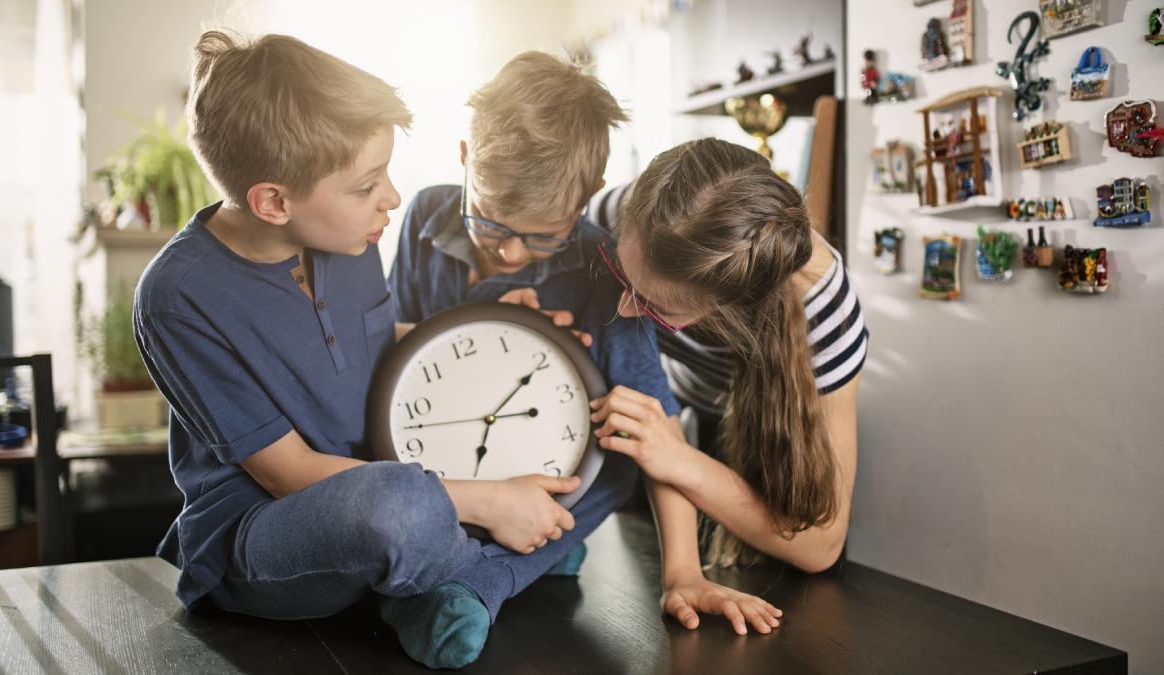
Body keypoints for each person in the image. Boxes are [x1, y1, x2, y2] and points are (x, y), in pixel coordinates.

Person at [134, 31, 585, 670]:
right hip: (267, 529)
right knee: (397, 507)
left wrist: (481, 332)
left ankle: (460, 557)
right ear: (273, 201)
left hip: (392, 471)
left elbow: (370, 350)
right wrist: (485, 500)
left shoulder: (347, 236)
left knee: (436, 474)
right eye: (367, 184)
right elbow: (286, 473)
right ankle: (485, 564)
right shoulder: (178, 298)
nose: (393, 198)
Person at [386, 51, 691, 589]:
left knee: (611, 472)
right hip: (441, 455)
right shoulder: (422, 217)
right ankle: (532, 553)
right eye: (489, 221)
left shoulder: (607, 275)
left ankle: (499, 573)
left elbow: (655, 427)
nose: (509, 254)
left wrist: (684, 574)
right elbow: (389, 353)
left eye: (543, 236)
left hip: (557, 468)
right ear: (463, 158)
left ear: (589, 195)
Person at [586, 138, 866, 633]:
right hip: (668, 415)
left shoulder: (826, 316)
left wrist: (680, 458)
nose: (624, 310)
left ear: (733, 307)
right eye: (620, 274)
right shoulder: (625, 212)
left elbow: (822, 544)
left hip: (757, 434)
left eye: (655, 308)